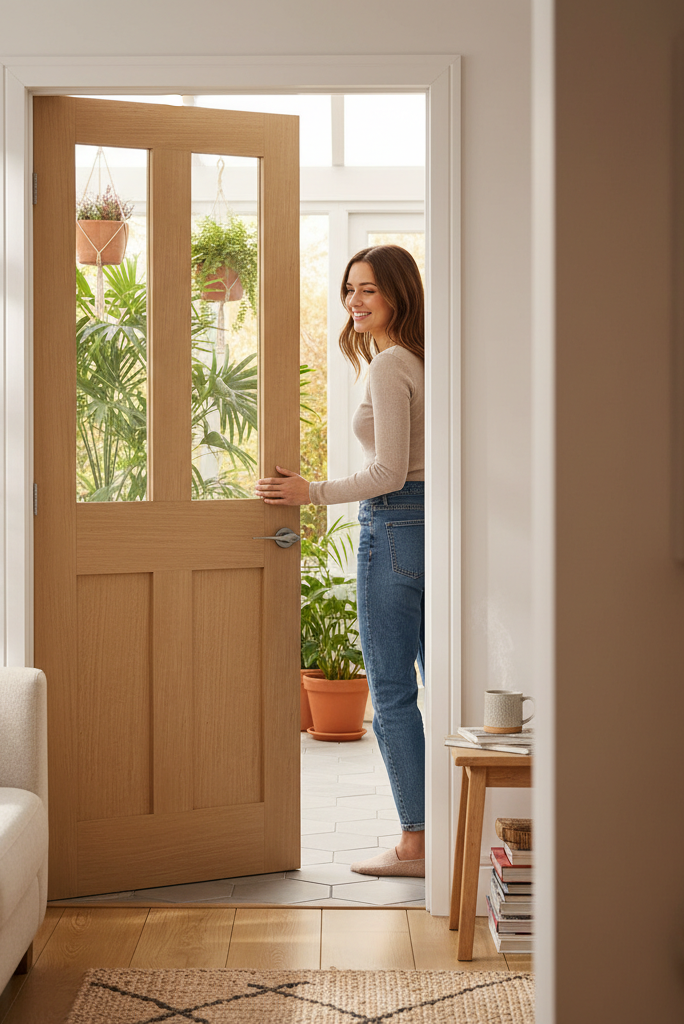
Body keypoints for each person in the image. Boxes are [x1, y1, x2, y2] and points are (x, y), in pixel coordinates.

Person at [254, 245, 426, 877]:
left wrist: (311, 492)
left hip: (395, 525)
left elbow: (388, 473)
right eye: (350, 289)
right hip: (432, 526)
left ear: (399, 294)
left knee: (391, 692)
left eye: (369, 290)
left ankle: (417, 846)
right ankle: (444, 834)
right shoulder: (425, 359)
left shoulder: (390, 364)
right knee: (434, 683)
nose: (355, 301)